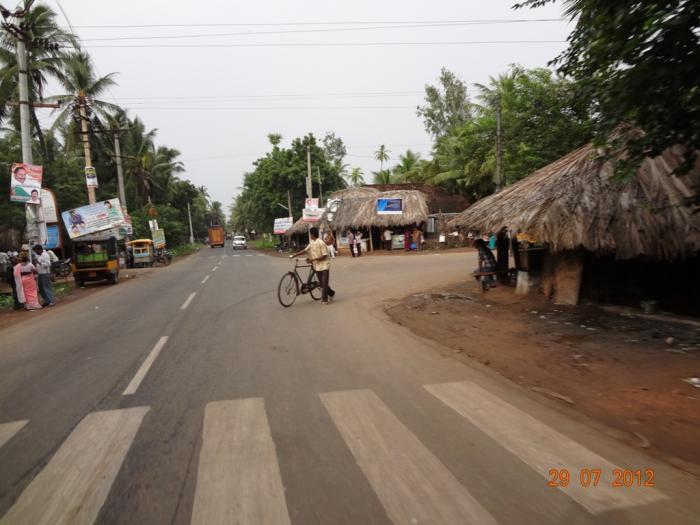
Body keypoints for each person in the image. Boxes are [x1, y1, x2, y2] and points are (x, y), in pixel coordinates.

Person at [291, 227, 335, 305]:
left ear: (312, 234)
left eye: (310, 234)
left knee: (324, 283)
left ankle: (324, 300)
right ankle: (331, 293)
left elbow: (324, 255)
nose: (310, 235)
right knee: (322, 283)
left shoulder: (321, 243)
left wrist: (312, 260)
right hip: (317, 265)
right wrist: (294, 255)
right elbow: (305, 250)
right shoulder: (311, 242)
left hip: (325, 265)